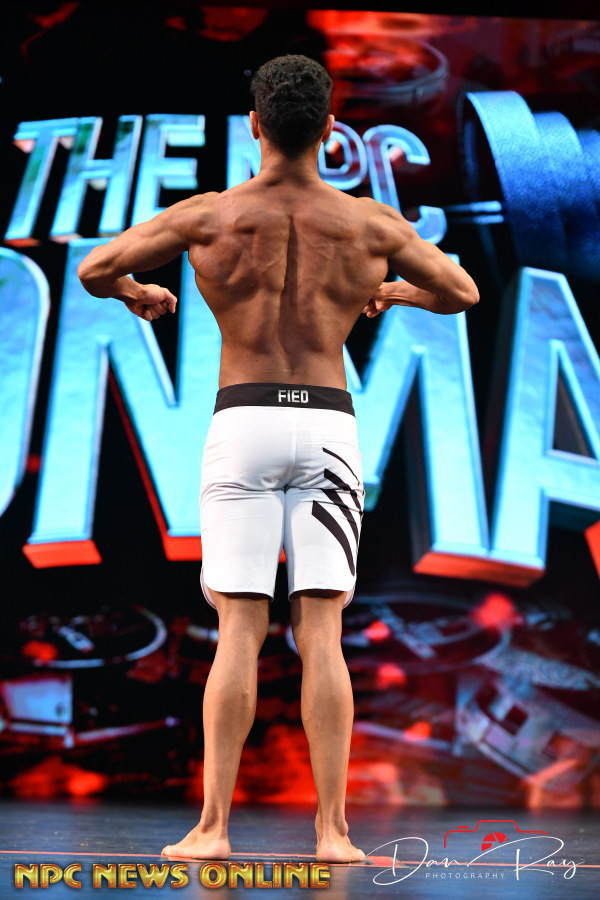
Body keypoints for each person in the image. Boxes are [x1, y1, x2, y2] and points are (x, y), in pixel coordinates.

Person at [77, 54, 479, 864]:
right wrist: (395, 291)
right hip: (327, 428)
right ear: (329, 129)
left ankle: (212, 830)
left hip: (244, 422)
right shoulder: (370, 224)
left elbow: (94, 269)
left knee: (239, 626)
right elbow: (462, 292)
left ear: (255, 124)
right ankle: (333, 833)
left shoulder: (209, 216)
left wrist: (140, 294)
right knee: (321, 630)